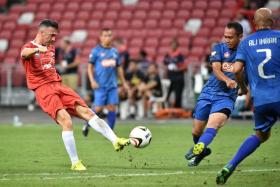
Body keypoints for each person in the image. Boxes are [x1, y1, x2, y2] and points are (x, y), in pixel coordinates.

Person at [20, 20, 130, 171]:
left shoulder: (51, 48)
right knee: (66, 120)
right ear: (41, 32)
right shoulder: (29, 47)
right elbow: (24, 54)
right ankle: (75, 162)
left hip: (59, 86)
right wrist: (37, 50)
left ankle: (115, 140)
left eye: (55, 36)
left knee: (87, 112)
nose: (54, 39)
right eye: (52, 35)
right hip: (43, 90)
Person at [216, 8, 280, 185]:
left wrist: (243, 88)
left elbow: (236, 70)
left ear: (254, 23)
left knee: (261, 135)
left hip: (261, 100)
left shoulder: (246, 42)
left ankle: (230, 164)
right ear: (272, 22)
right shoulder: (279, 37)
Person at [184, 22, 244, 167]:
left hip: (226, 96)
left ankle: (198, 148)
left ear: (240, 37)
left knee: (213, 125)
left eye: (230, 37)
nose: (227, 40)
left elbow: (245, 74)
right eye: (225, 37)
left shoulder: (246, 52)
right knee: (197, 131)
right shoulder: (219, 48)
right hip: (208, 92)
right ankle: (202, 151)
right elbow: (216, 70)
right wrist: (228, 80)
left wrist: (243, 88)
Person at [82, 28, 129, 136]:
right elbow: (90, 67)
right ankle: (87, 123)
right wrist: (92, 80)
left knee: (112, 107)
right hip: (100, 85)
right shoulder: (96, 51)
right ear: (101, 37)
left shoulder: (115, 51)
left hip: (112, 85)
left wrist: (124, 82)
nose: (108, 37)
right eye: (106, 35)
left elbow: (119, 68)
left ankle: (110, 132)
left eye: (110, 35)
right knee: (98, 108)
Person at [163, 39, 186, 108]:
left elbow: (185, 67)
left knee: (178, 95)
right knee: (166, 94)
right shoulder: (167, 55)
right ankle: (166, 108)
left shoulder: (180, 55)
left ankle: (177, 109)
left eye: (175, 45)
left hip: (178, 77)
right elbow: (164, 65)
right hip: (170, 77)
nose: (173, 46)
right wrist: (165, 74)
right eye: (172, 44)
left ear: (177, 46)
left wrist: (177, 69)